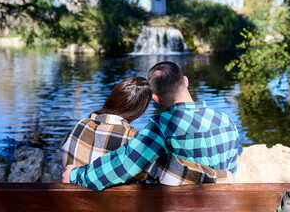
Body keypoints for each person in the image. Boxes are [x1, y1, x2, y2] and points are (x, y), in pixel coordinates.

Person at [62, 64, 239, 191]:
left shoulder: (161, 126)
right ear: (185, 81)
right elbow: (230, 174)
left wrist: (77, 175)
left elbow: (125, 163)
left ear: (155, 98)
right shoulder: (227, 121)